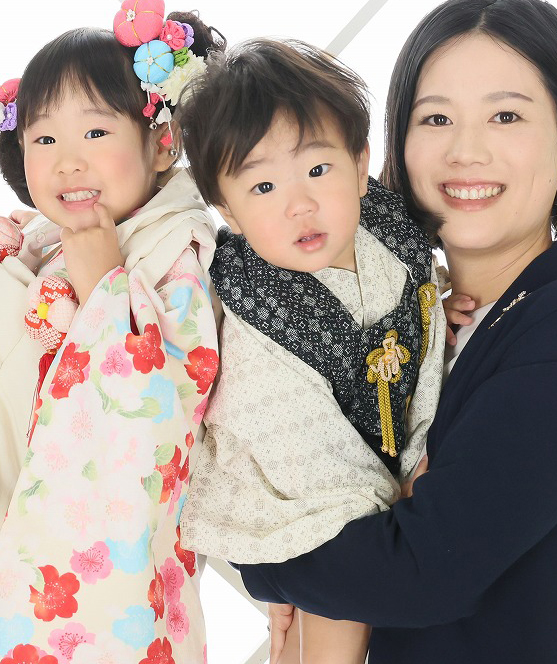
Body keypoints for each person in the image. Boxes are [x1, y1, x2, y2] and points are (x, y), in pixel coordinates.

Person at [238, 0, 557, 663]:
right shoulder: (394, 319)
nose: (465, 151)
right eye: (436, 118)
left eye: (506, 116)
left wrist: (265, 559)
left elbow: (423, 572)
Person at [0, 0, 226, 664]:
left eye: (95, 133)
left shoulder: (178, 253)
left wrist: (104, 289)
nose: (67, 161)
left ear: (161, 144)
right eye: (44, 139)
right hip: (3, 553)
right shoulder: (36, 241)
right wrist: (4, 275)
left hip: (102, 584)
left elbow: (165, 410)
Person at [174, 39, 445, 663]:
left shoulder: (390, 230)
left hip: (380, 446)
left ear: (360, 163)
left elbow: (422, 320)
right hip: (290, 476)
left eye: (319, 170)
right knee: (340, 592)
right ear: (227, 208)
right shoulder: (252, 303)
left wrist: (443, 302)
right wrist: (387, 497)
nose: (299, 204)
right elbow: (290, 437)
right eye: (263, 186)